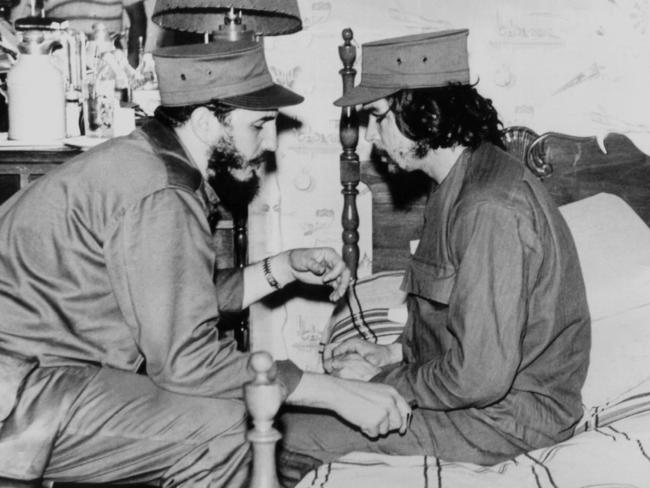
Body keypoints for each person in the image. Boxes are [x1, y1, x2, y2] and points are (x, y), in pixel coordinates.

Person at [0, 40, 411, 487]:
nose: (271, 143)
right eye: (259, 126)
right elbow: (186, 362)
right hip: (21, 393)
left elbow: (171, 296)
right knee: (227, 423)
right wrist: (332, 391)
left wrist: (284, 268)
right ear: (202, 121)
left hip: (31, 374)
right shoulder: (163, 193)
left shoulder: (146, 161)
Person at [280, 29, 591, 484]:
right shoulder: (462, 181)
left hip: (509, 419)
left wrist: (380, 382)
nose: (370, 136)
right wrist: (389, 351)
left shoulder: (488, 208)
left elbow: (479, 378)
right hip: (488, 401)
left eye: (376, 116)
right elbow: (459, 325)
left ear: (418, 111)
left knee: (284, 435)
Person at [11, 0, 147, 66]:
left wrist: (132, 65)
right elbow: (17, 23)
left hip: (108, 65)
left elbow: (138, 18)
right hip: (62, 65)